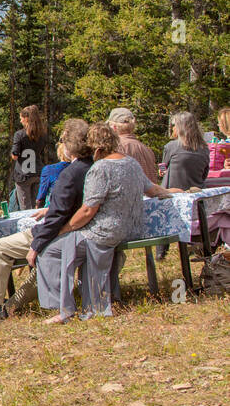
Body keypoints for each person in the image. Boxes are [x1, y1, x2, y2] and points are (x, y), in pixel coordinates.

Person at [36, 123, 173, 323]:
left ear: (97, 148)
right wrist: (177, 191)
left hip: (104, 232)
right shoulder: (131, 163)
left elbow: (88, 210)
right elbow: (153, 190)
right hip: (129, 228)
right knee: (73, 244)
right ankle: (94, 295)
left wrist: (64, 230)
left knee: (52, 249)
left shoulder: (100, 168)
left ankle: (63, 307)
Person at [0, 119, 91, 326]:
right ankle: (10, 305)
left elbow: (57, 218)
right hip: (79, 229)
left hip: (58, 232)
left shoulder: (69, 175)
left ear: (68, 145)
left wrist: (36, 244)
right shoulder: (93, 167)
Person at [155, 112, 207, 259]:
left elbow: (163, 169)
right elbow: (205, 173)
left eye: (173, 126)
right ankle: (197, 247)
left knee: (163, 213)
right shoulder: (204, 148)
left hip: (173, 193)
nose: (172, 129)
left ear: (179, 128)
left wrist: (161, 172)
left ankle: (161, 251)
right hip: (195, 193)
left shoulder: (172, 146)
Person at [10, 105, 49, 211]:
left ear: (26, 118)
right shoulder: (43, 135)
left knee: (25, 208)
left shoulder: (19, 135)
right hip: (37, 173)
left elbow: (15, 155)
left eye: (21, 118)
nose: (20, 120)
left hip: (23, 174)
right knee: (36, 207)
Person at [107, 107, 159, 184]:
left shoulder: (117, 148)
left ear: (114, 127)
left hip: (129, 195)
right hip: (150, 194)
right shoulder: (146, 148)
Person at [37, 142, 71, 207]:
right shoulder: (79, 168)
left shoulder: (49, 169)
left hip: (53, 208)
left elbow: (40, 197)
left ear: (59, 154)